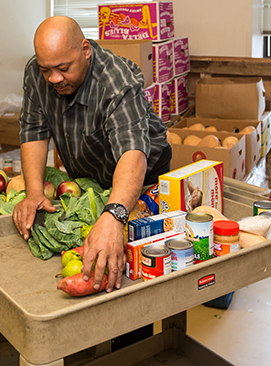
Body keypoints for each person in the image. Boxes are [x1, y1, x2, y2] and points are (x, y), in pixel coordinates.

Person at [13, 16, 171, 293]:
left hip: (143, 178)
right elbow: (34, 131)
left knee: (139, 276)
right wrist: (35, 192)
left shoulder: (118, 81)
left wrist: (114, 215)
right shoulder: (36, 74)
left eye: (63, 68)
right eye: (45, 70)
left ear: (85, 50)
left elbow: (132, 153)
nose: (54, 78)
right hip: (91, 178)